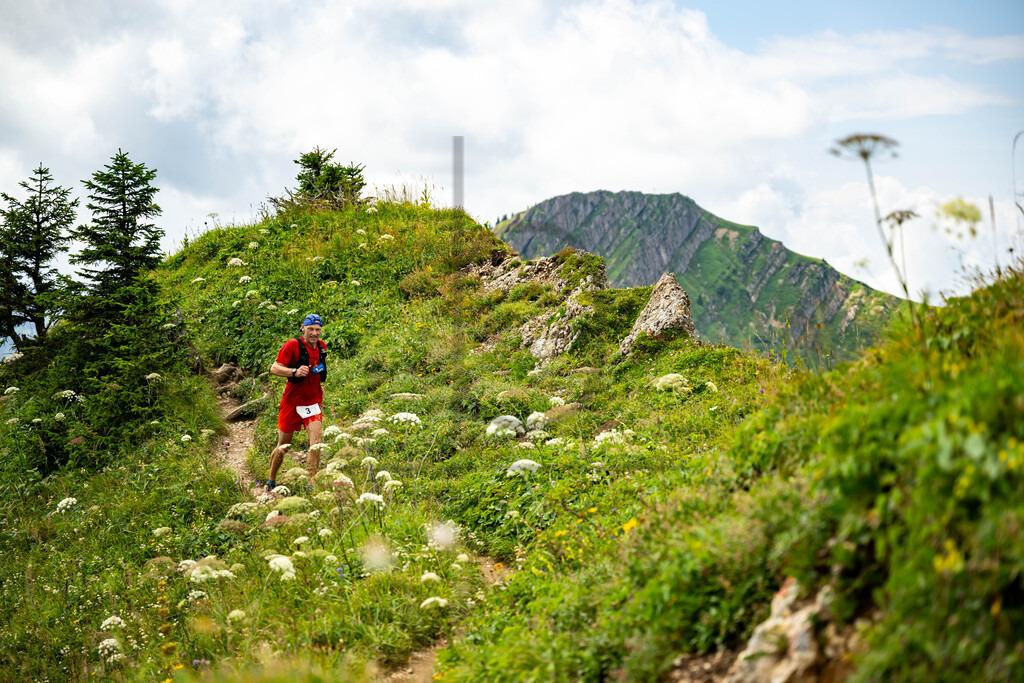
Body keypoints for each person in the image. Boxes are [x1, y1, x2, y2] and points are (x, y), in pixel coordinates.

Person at [265, 313, 328, 492]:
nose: (314, 333)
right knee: (283, 447)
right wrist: (294, 372)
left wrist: (318, 387)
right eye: (310, 329)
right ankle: (271, 480)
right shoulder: (293, 345)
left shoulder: (322, 346)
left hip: (312, 402)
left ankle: (310, 485)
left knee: (316, 443)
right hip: (292, 403)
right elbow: (274, 368)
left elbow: (317, 369)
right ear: (303, 328)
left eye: (317, 329)